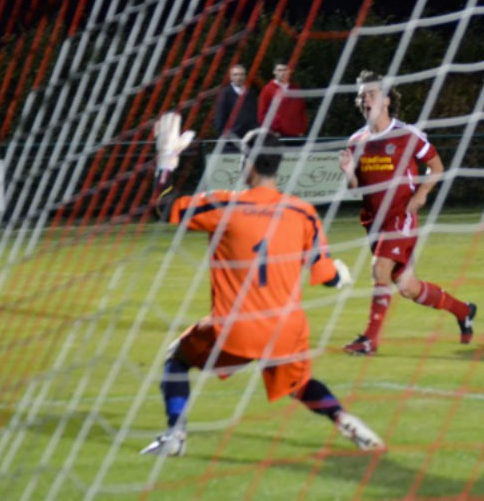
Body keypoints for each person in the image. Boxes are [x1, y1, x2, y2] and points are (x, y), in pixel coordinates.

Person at [142, 114, 385, 456]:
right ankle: (342, 417)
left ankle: (175, 436)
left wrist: (166, 163)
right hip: (285, 330)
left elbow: (162, 207)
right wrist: (341, 275)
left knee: (176, 358)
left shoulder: (224, 204)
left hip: (236, 328)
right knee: (298, 384)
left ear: (248, 163)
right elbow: (328, 277)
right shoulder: (303, 212)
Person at [338, 70, 476, 356]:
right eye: (362, 95)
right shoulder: (356, 141)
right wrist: (349, 173)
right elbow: (355, 190)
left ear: (387, 100)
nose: (366, 99)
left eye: (372, 93)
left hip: (401, 216)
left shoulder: (406, 134)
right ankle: (463, 311)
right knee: (407, 287)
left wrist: (422, 193)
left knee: (380, 268)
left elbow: (436, 167)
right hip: (373, 221)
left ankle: (370, 340)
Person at [257, 60, 308, 138]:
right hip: (277, 135)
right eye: (279, 70)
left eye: (285, 70)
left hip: (296, 135)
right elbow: (262, 114)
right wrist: (272, 130)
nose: (282, 73)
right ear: (274, 72)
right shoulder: (267, 90)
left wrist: (302, 130)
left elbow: (302, 112)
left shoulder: (295, 89)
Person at [213, 64, 258, 139]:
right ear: (231, 77)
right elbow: (220, 115)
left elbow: (254, 114)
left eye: (241, 74)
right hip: (232, 138)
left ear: (245, 76)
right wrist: (222, 133)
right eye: (235, 75)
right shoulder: (225, 94)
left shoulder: (249, 93)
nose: (239, 77)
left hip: (249, 136)